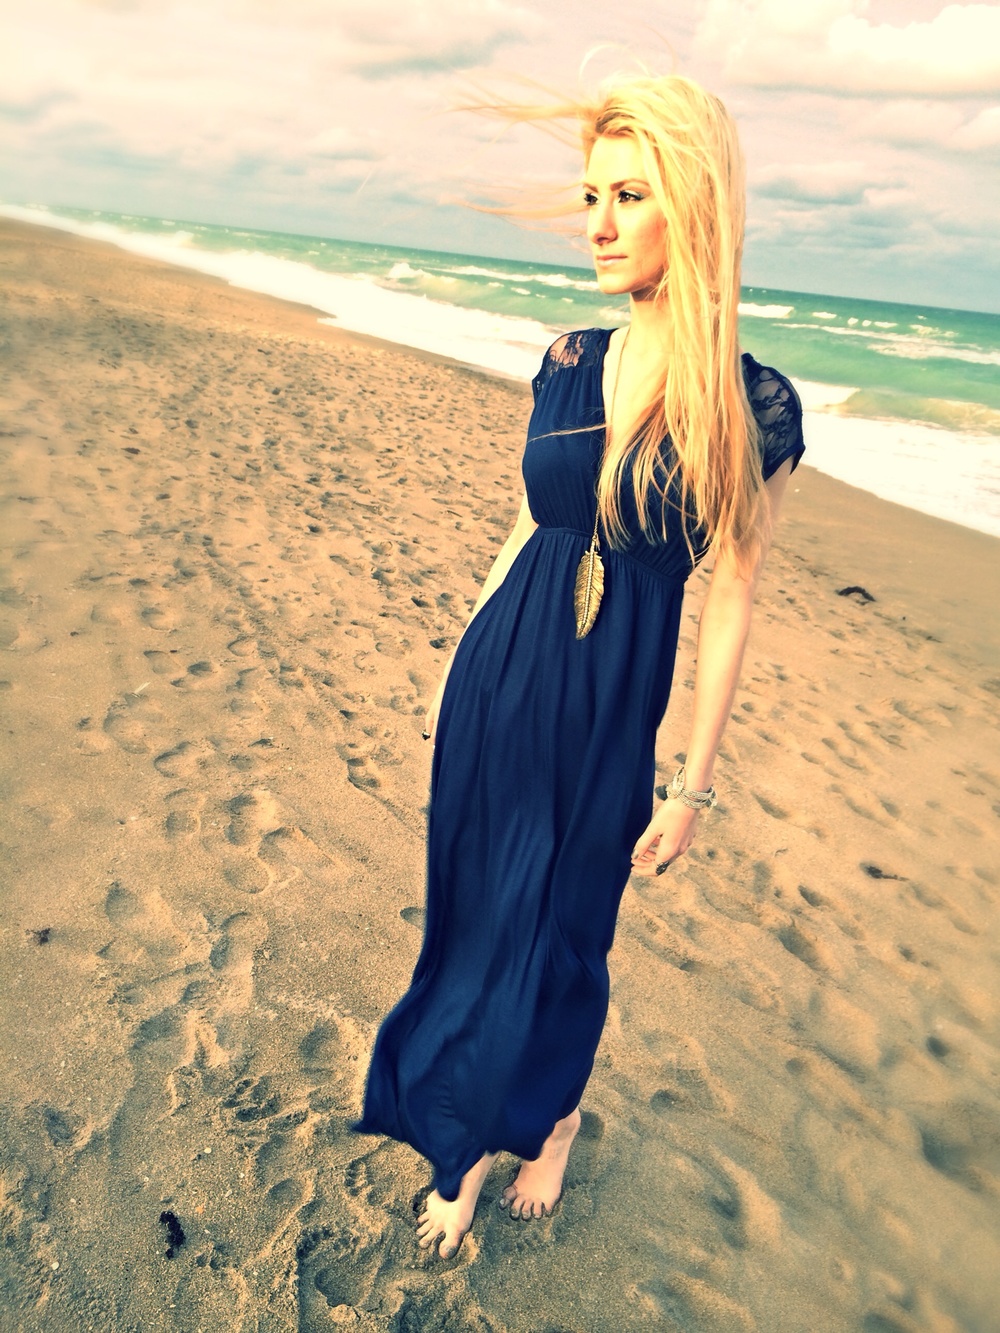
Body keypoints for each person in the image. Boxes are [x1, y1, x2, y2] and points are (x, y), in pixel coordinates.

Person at [353, 73, 804, 1260]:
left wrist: (693, 784)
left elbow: (731, 596)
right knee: (475, 914)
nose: (597, 223)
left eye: (627, 195)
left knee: (565, 929)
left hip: (612, 712)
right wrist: (464, 647)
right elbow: (526, 527)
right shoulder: (563, 358)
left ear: (691, 210)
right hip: (504, 676)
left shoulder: (748, 406)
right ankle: (458, 1142)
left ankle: (548, 1121)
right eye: (589, 195)